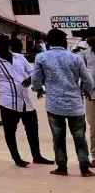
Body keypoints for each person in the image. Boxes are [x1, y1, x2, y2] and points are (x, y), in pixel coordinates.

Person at [33, 28, 95, 177]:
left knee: (58, 137)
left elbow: (36, 79)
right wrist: (87, 90)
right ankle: (84, 168)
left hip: (54, 104)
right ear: (64, 42)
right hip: (75, 104)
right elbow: (88, 80)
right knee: (79, 137)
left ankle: (62, 167)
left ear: (49, 42)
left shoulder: (41, 57)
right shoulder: (75, 58)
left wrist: (39, 90)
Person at [0, 34, 52, 168]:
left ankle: (37, 156)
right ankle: (17, 158)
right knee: (10, 132)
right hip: (8, 103)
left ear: (7, 47)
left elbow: (34, 72)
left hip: (26, 102)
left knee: (32, 130)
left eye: (1, 48)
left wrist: (30, 79)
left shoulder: (19, 58)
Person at [81, 30, 95, 165]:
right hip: (91, 96)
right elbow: (83, 74)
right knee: (93, 127)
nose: (91, 39)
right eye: (89, 36)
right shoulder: (85, 54)